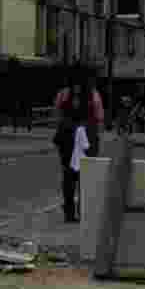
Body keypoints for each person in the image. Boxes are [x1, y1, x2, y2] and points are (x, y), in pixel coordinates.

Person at [53, 81, 90, 223]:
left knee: (82, 179)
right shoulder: (64, 95)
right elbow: (58, 116)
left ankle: (80, 211)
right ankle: (69, 212)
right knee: (69, 179)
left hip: (80, 143)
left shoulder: (88, 98)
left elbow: (95, 118)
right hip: (67, 143)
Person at [54, 68, 103, 157]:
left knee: (77, 163)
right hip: (76, 135)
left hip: (82, 135)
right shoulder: (93, 94)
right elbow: (99, 116)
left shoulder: (64, 93)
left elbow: (57, 113)